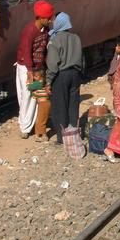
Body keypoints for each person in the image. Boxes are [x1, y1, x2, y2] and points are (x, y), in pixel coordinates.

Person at [16, 0, 54, 139]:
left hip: (38, 68)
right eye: (49, 18)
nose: (51, 21)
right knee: (27, 96)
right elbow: (26, 52)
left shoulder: (46, 31)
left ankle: (29, 125)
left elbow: (44, 50)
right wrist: (30, 72)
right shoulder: (29, 31)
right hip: (27, 68)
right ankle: (24, 127)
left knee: (34, 97)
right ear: (42, 18)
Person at [46, 12, 83, 144]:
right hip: (75, 74)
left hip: (61, 76)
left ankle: (62, 137)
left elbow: (52, 64)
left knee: (60, 106)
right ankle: (74, 133)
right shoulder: (76, 38)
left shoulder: (55, 40)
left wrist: (49, 81)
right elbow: (81, 58)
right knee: (73, 105)